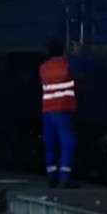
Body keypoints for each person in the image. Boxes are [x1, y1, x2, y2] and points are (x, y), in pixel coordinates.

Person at [39, 39, 79, 188]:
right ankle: (64, 178)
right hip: (63, 110)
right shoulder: (66, 65)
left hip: (47, 110)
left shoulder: (43, 68)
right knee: (67, 143)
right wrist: (76, 54)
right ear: (63, 51)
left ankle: (51, 177)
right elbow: (79, 71)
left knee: (50, 144)